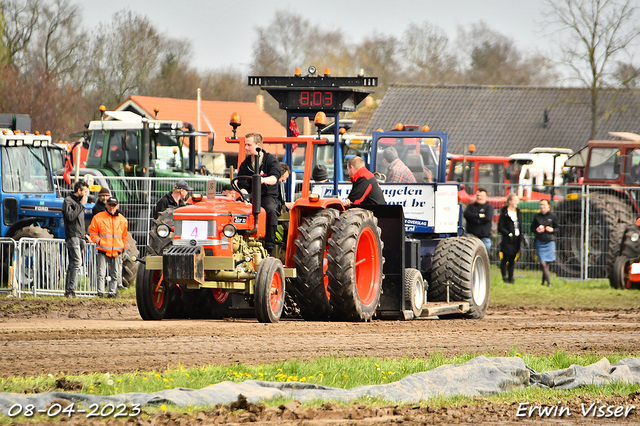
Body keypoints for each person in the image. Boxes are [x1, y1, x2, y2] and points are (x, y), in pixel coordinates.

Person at [237, 132, 281, 255]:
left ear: (258, 145)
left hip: (267, 196)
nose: (246, 148)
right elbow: (242, 183)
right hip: (251, 196)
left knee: (271, 210)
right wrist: (245, 195)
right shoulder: (245, 164)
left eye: (248, 145)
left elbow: (274, 178)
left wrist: (262, 180)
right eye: (245, 145)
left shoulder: (271, 160)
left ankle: (269, 248)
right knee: (237, 210)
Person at [89, 196, 129, 298]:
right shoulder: (98, 217)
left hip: (116, 251)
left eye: (113, 205)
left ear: (117, 206)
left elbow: (125, 237)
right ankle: (100, 292)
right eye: (110, 205)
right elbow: (92, 232)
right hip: (103, 249)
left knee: (115, 274)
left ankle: (112, 292)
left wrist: (125, 249)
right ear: (106, 205)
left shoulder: (123, 220)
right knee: (101, 273)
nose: (111, 207)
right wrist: (99, 241)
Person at [62, 180, 91, 298]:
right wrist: (81, 205)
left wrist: (84, 234)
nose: (87, 195)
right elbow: (70, 217)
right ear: (79, 191)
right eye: (85, 191)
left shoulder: (79, 203)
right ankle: (71, 290)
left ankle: (68, 290)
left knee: (73, 263)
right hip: (72, 236)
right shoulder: (68, 201)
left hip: (80, 236)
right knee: (77, 262)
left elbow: (78, 222)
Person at [531, 198, 559, 287]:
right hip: (540, 241)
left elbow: (558, 228)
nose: (542, 206)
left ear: (548, 206)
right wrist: (537, 229)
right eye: (541, 204)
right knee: (542, 263)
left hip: (550, 241)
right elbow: (532, 228)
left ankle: (543, 282)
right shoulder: (537, 216)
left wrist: (552, 230)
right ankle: (549, 283)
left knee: (547, 263)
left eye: (544, 204)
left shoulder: (553, 216)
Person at [498, 193, 523, 283]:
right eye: (515, 200)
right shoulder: (504, 213)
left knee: (513, 258)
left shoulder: (518, 212)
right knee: (506, 258)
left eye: (517, 200)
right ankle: (504, 276)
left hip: (517, 238)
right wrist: (508, 233)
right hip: (508, 239)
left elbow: (520, 225)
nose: (517, 202)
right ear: (510, 201)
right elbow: (500, 227)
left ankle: (511, 277)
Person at [463, 188, 494, 253]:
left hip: (484, 237)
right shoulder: (470, 206)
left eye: (481, 196)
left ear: (486, 197)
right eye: (477, 195)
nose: (479, 197)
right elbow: (466, 215)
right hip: (471, 237)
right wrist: (479, 216)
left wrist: (474, 218)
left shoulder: (489, 207)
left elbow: (488, 218)